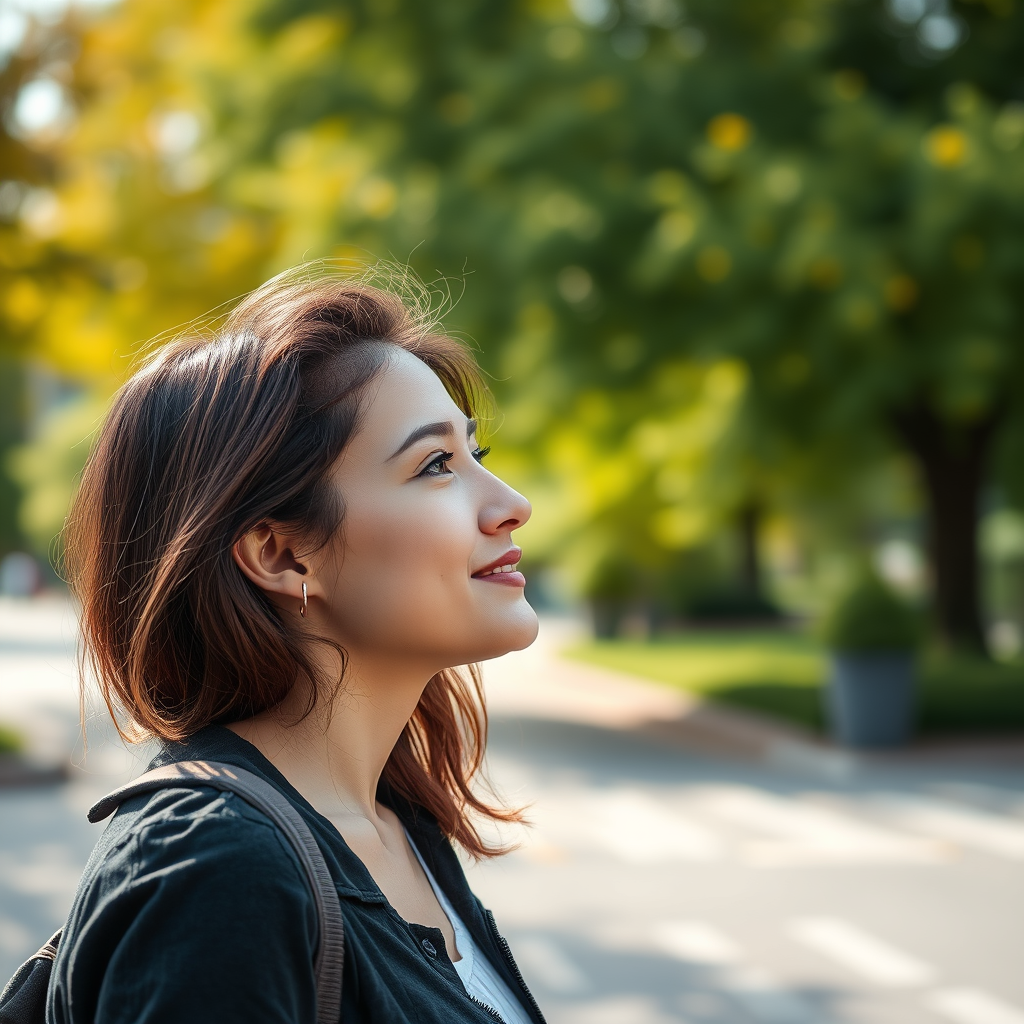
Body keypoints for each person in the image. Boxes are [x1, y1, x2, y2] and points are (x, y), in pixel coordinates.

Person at [52, 268, 545, 1023]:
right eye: (436, 464)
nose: (512, 505)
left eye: (474, 453)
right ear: (281, 554)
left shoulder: (394, 825)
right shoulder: (217, 873)